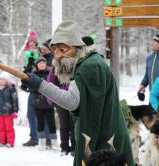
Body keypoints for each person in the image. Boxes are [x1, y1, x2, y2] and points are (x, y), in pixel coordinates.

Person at [21, 20, 133, 165]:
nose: (57, 56)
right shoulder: (86, 63)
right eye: (55, 50)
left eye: (63, 50)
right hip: (105, 135)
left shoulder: (90, 67)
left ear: (76, 47)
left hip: (106, 141)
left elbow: (72, 101)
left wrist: (41, 85)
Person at [32, 57, 58, 150]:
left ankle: (54, 143)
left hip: (49, 101)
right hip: (37, 102)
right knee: (40, 123)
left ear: (46, 64)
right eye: (40, 63)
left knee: (51, 123)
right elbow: (28, 86)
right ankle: (42, 142)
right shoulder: (33, 74)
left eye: (43, 63)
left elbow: (55, 85)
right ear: (37, 65)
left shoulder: (50, 73)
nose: (42, 65)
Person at [0, 72, 18, 148]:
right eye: (0, 79)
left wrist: (15, 111)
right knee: (1, 128)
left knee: (9, 128)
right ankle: (2, 141)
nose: (1, 81)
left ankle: (10, 142)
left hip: (8, 112)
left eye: (3, 79)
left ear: (7, 81)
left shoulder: (11, 89)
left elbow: (15, 100)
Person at [138, 34, 159, 100]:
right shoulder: (150, 58)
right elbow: (147, 76)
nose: (152, 43)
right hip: (152, 96)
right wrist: (142, 85)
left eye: (155, 42)